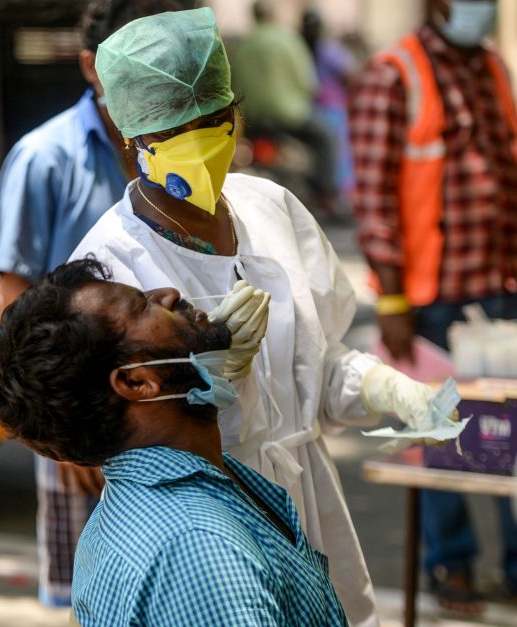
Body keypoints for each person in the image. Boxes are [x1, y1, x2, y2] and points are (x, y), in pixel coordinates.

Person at [69, 8, 461, 625]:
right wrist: (208, 383)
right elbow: (114, 434)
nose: (202, 143)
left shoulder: (271, 206)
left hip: (307, 495)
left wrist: (386, 388)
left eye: (214, 122)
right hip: (210, 518)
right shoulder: (106, 269)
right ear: (132, 136)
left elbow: (315, 363)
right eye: (177, 133)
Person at [0, 258, 348, 626]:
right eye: (144, 305)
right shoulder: (198, 546)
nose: (169, 294)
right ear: (138, 382)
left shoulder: (180, 494)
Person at [0, 0, 181, 607]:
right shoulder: (45, 157)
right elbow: (12, 297)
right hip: (77, 412)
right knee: (93, 593)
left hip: (160, 397)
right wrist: (60, 435)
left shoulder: (172, 151)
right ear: (90, 66)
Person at [349, 0, 517, 613]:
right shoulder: (394, 74)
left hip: (498, 291)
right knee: (441, 442)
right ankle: (453, 565)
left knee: (506, 437)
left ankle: (513, 564)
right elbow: (373, 197)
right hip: (429, 300)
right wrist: (391, 298)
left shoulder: (491, 67)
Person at [229, 1, 339, 211]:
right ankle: (326, 196)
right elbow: (309, 84)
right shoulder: (289, 39)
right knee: (328, 138)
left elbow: (233, 84)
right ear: (273, 15)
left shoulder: (243, 45)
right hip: (290, 115)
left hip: (253, 118)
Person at [301, 8, 357, 194]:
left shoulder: (321, 49)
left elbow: (348, 75)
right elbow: (350, 75)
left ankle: (336, 192)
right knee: (336, 153)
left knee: (337, 154)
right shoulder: (322, 48)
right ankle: (332, 193)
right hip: (324, 108)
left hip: (326, 107)